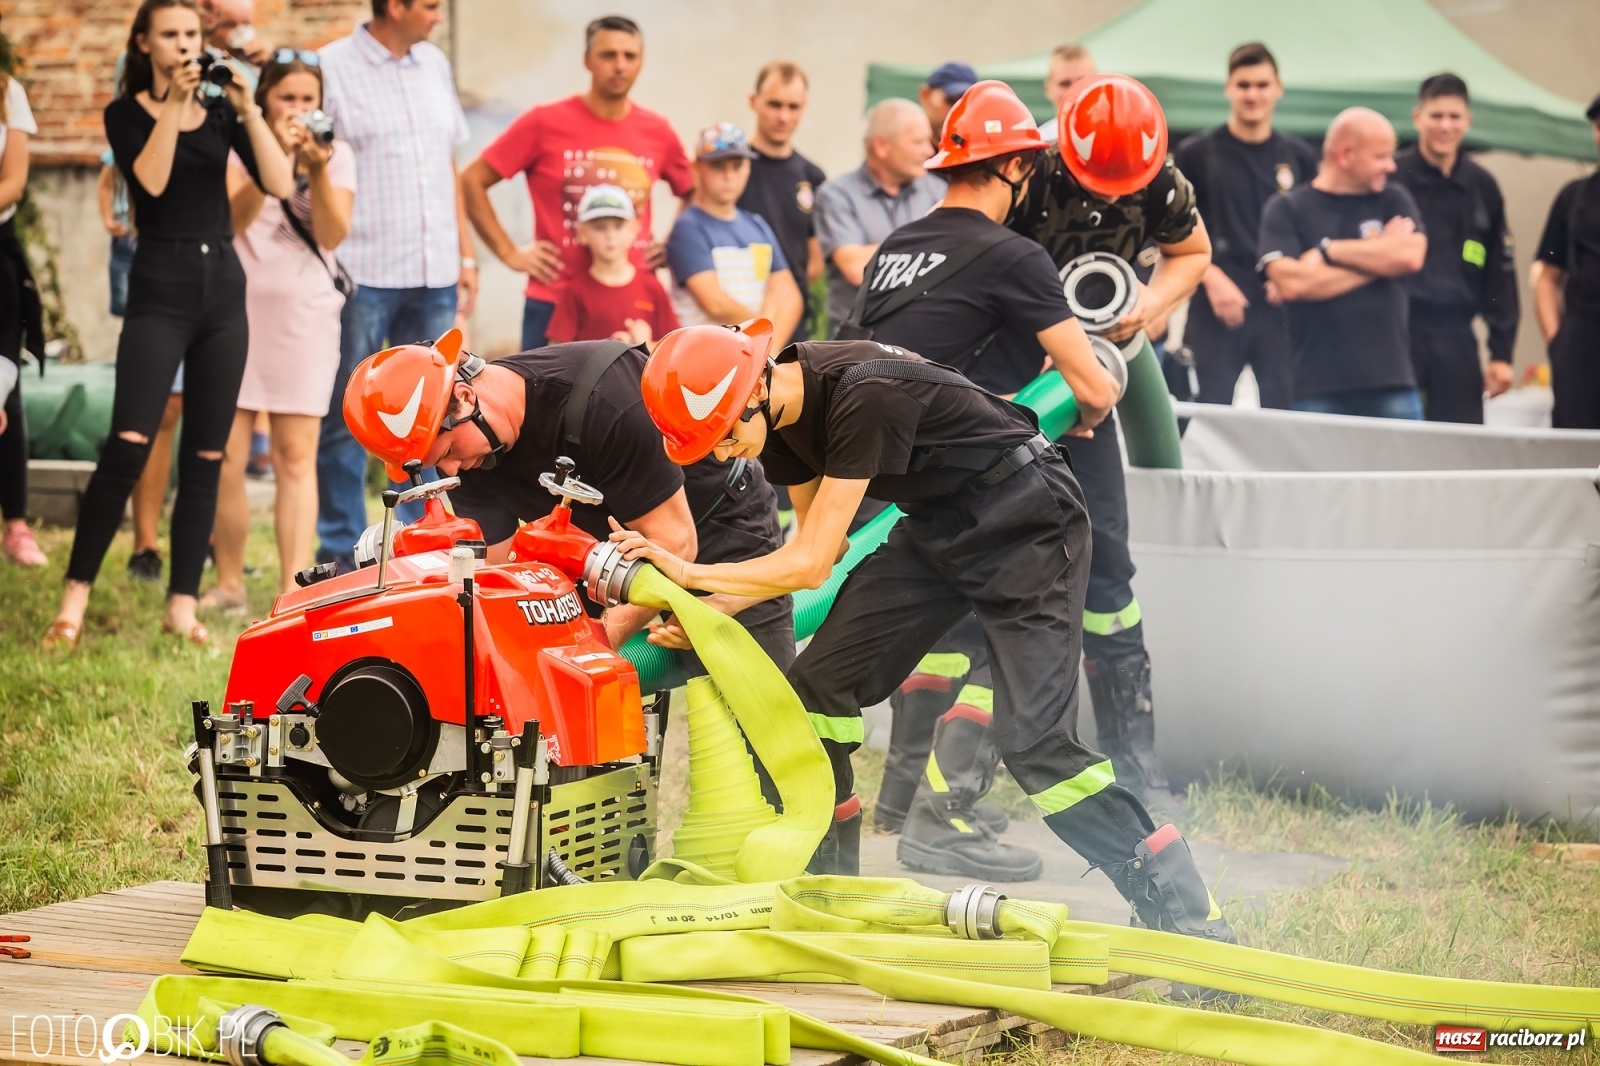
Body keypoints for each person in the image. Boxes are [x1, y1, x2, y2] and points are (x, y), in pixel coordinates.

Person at [611, 321, 1239, 968]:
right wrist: (713, 607)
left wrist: (686, 573)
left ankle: (1196, 927)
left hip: (1029, 518)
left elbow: (808, 562)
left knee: (1036, 745)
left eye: (723, 437)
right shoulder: (776, 428)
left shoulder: (863, 395)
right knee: (815, 692)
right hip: (939, 528)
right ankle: (832, 901)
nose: (721, 457)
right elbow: (813, 560)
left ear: (753, 392)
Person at [848, 80, 1124, 880]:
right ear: (1012, 171)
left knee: (940, 637)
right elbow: (1094, 385)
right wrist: (1079, 387)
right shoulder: (1015, 255)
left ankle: (907, 801)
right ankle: (945, 815)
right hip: (978, 485)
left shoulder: (897, 245)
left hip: (891, 479)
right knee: (1019, 646)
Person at [42, 0, 292, 650]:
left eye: (191, 34)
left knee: (207, 455)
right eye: (171, 36)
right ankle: (75, 599)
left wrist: (247, 107)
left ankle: (182, 605)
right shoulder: (124, 115)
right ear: (146, 44)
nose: (184, 46)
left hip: (221, 295)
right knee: (128, 443)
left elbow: (278, 179)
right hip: (159, 289)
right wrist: (173, 109)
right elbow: (149, 183)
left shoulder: (220, 111)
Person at [1001, 73, 1212, 813]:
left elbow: (1192, 252)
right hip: (1008, 388)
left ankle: (1134, 755)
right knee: (997, 555)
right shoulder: (1025, 172)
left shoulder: (1161, 180)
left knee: (1109, 561)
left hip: (1091, 387)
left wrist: (1148, 307)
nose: (1119, 194)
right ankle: (970, 762)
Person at [340, 330, 793, 669]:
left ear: (464, 397)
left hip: (717, 526)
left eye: (449, 454)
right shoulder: (473, 447)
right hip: (611, 559)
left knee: (768, 713)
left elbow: (676, 545)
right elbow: (495, 574)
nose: (453, 471)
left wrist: (591, 642)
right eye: (439, 464)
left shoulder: (606, 400)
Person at [315, 0, 476, 573]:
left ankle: (423, 542)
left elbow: (448, 166)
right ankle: (337, 544)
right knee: (345, 415)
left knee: (434, 418)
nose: (438, 16)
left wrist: (464, 255)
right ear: (397, 5)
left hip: (432, 272)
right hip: (363, 272)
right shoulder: (329, 67)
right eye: (431, 5)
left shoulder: (434, 64)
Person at [205, 51, 356, 606]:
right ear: (264, 99)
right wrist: (279, 166)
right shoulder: (236, 148)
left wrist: (312, 167)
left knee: (296, 456)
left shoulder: (337, 156)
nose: (297, 109)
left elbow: (333, 235)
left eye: (307, 99)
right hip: (233, 315)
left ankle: (290, 589)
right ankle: (228, 582)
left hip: (304, 319)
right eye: (286, 98)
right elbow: (231, 221)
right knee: (227, 454)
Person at [461, 15, 692, 352]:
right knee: (544, 403)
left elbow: (692, 190)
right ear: (587, 60)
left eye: (630, 56)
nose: (620, 65)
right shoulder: (544, 122)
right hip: (553, 300)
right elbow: (472, 180)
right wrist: (510, 253)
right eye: (608, 55)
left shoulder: (657, 131)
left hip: (631, 303)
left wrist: (670, 243)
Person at [1258, 107, 1427, 418]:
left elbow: (1410, 256)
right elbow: (1292, 283)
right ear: (1346, 155)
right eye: (1381, 156)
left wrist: (1327, 252)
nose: (1391, 166)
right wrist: (1378, 258)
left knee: (1405, 468)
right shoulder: (1286, 208)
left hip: (1393, 384)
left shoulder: (1394, 199)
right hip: (1317, 390)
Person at [1174, 42, 1317, 409]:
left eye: (1261, 84)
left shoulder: (1298, 157)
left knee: (1285, 421)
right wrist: (1212, 279)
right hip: (1216, 300)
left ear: (1278, 88)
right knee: (1201, 417)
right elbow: (1170, 230)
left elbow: (1316, 231)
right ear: (1228, 88)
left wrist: (1295, 277)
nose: (1253, 94)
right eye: (1243, 85)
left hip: (1280, 307)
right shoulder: (1195, 154)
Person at [1389, 74, 1518, 424]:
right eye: (1436, 116)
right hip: (1399, 333)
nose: (1445, 126)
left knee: (1460, 447)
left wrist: (1501, 353)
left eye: (1454, 117)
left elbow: (1500, 275)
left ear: (1468, 121)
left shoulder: (1482, 185)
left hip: (1458, 337)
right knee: (1397, 444)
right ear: (1417, 118)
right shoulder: (1393, 178)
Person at [813, 99, 942, 333]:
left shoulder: (937, 190)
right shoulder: (836, 195)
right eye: (918, 141)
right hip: (856, 345)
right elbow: (855, 267)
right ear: (881, 146)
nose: (930, 150)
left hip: (922, 338)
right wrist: (929, 247)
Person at [667, 123, 803, 344]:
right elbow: (715, 303)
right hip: (706, 358)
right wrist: (764, 323)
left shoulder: (757, 225)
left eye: (737, 165)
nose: (729, 175)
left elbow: (791, 296)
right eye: (718, 166)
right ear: (697, 168)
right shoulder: (688, 227)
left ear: (749, 167)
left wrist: (770, 350)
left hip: (757, 353)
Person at [0, 17, 47, 567]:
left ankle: (15, 522)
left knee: (3, 386)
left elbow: (13, 180)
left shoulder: (7, 91)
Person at [739, 61, 827, 338]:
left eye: (793, 107)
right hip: (734, 315)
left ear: (805, 107)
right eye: (774, 105)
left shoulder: (812, 176)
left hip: (790, 321)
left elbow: (815, 260)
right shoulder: (730, 168)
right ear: (754, 102)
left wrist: (784, 292)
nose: (783, 117)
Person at [1533, 94, 1600, 430]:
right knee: (1575, 452)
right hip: (1581, 342)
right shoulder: (1574, 196)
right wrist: (1556, 341)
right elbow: (1546, 275)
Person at [545, 183, 678, 345]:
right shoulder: (575, 290)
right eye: (599, 227)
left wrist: (645, 345)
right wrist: (610, 352)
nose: (610, 235)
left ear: (633, 229)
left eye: (618, 226)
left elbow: (674, 347)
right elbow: (556, 352)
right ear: (582, 233)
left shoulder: (652, 287)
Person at [1037, 44, 1096, 142]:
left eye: (1082, 81)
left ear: (1097, 84)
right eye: (1065, 84)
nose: (1074, 90)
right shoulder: (1038, 143)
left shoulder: (1117, 137)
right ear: (1048, 89)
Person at [918, 62, 976, 145]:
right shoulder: (904, 146)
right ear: (925, 95)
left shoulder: (977, 148)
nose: (958, 110)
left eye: (966, 103)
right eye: (952, 100)